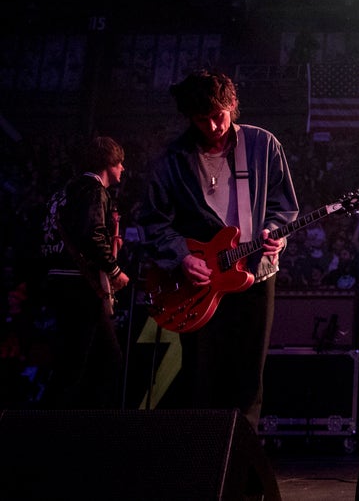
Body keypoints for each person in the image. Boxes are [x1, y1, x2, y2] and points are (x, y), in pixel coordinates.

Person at [140, 70, 298, 428]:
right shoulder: (173, 158)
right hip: (201, 282)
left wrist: (275, 231)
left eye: (219, 115)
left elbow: (283, 206)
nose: (213, 127)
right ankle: (204, 461)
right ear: (189, 118)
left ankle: (242, 468)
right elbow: (152, 221)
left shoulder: (263, 144)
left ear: (233, 105)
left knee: (248, 376)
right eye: (202, 120)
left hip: (255, 274)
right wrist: (182, 255)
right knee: (202, 375)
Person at [39, 136, 131, 407]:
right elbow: (92, 234)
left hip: (58, 280)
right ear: (109, 163)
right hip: (79, 285)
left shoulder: (62, 192)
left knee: (90, 357)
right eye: (120, 163)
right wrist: (114, 271)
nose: (123, 169)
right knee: (89, 361)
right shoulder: (93, 190)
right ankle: (63, 426)